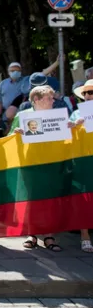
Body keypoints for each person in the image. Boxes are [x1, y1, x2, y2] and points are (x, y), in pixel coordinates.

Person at [10, 85, 67, 252]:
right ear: (36, 100)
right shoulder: (22, 116)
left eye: (52, 98)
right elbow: (9, 138)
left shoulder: (57, 117)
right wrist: (16, 133)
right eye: (49, 98)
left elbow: (65, 140)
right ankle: (32, 234)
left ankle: (49, 235)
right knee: (31, 199)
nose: (52, 101)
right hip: (30, 164)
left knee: (49, 199)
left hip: (51, 163)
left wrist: (71, 129)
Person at [0, 58, 60, 129]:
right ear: (8, 72)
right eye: (12, 70)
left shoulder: (26, 80)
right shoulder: (3, 83)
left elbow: (42, 74)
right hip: (8, 115)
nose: (15, 72)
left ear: (21, 71)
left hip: (23, 106)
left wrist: (57, 63)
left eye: (17, 70)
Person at [70, 80, 93, 253]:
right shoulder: (76, 113)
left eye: (91, 92)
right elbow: (66, 134)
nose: (88, 96)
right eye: (85, 93)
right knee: (84, 198)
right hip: (84, 161)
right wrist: (74, 125)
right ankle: (85, 236)